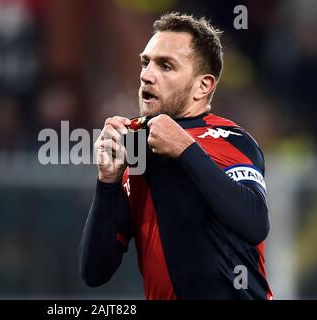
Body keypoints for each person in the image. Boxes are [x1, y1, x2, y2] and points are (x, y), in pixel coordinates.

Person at [79, 12, 273, 300]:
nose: (146, 75)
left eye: (165, 66)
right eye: (146, 62)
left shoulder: (230, 140)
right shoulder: (136, 150)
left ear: (203, 86)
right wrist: (107, 182)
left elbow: (255, 224)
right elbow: (95, 272)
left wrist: (186, 149)